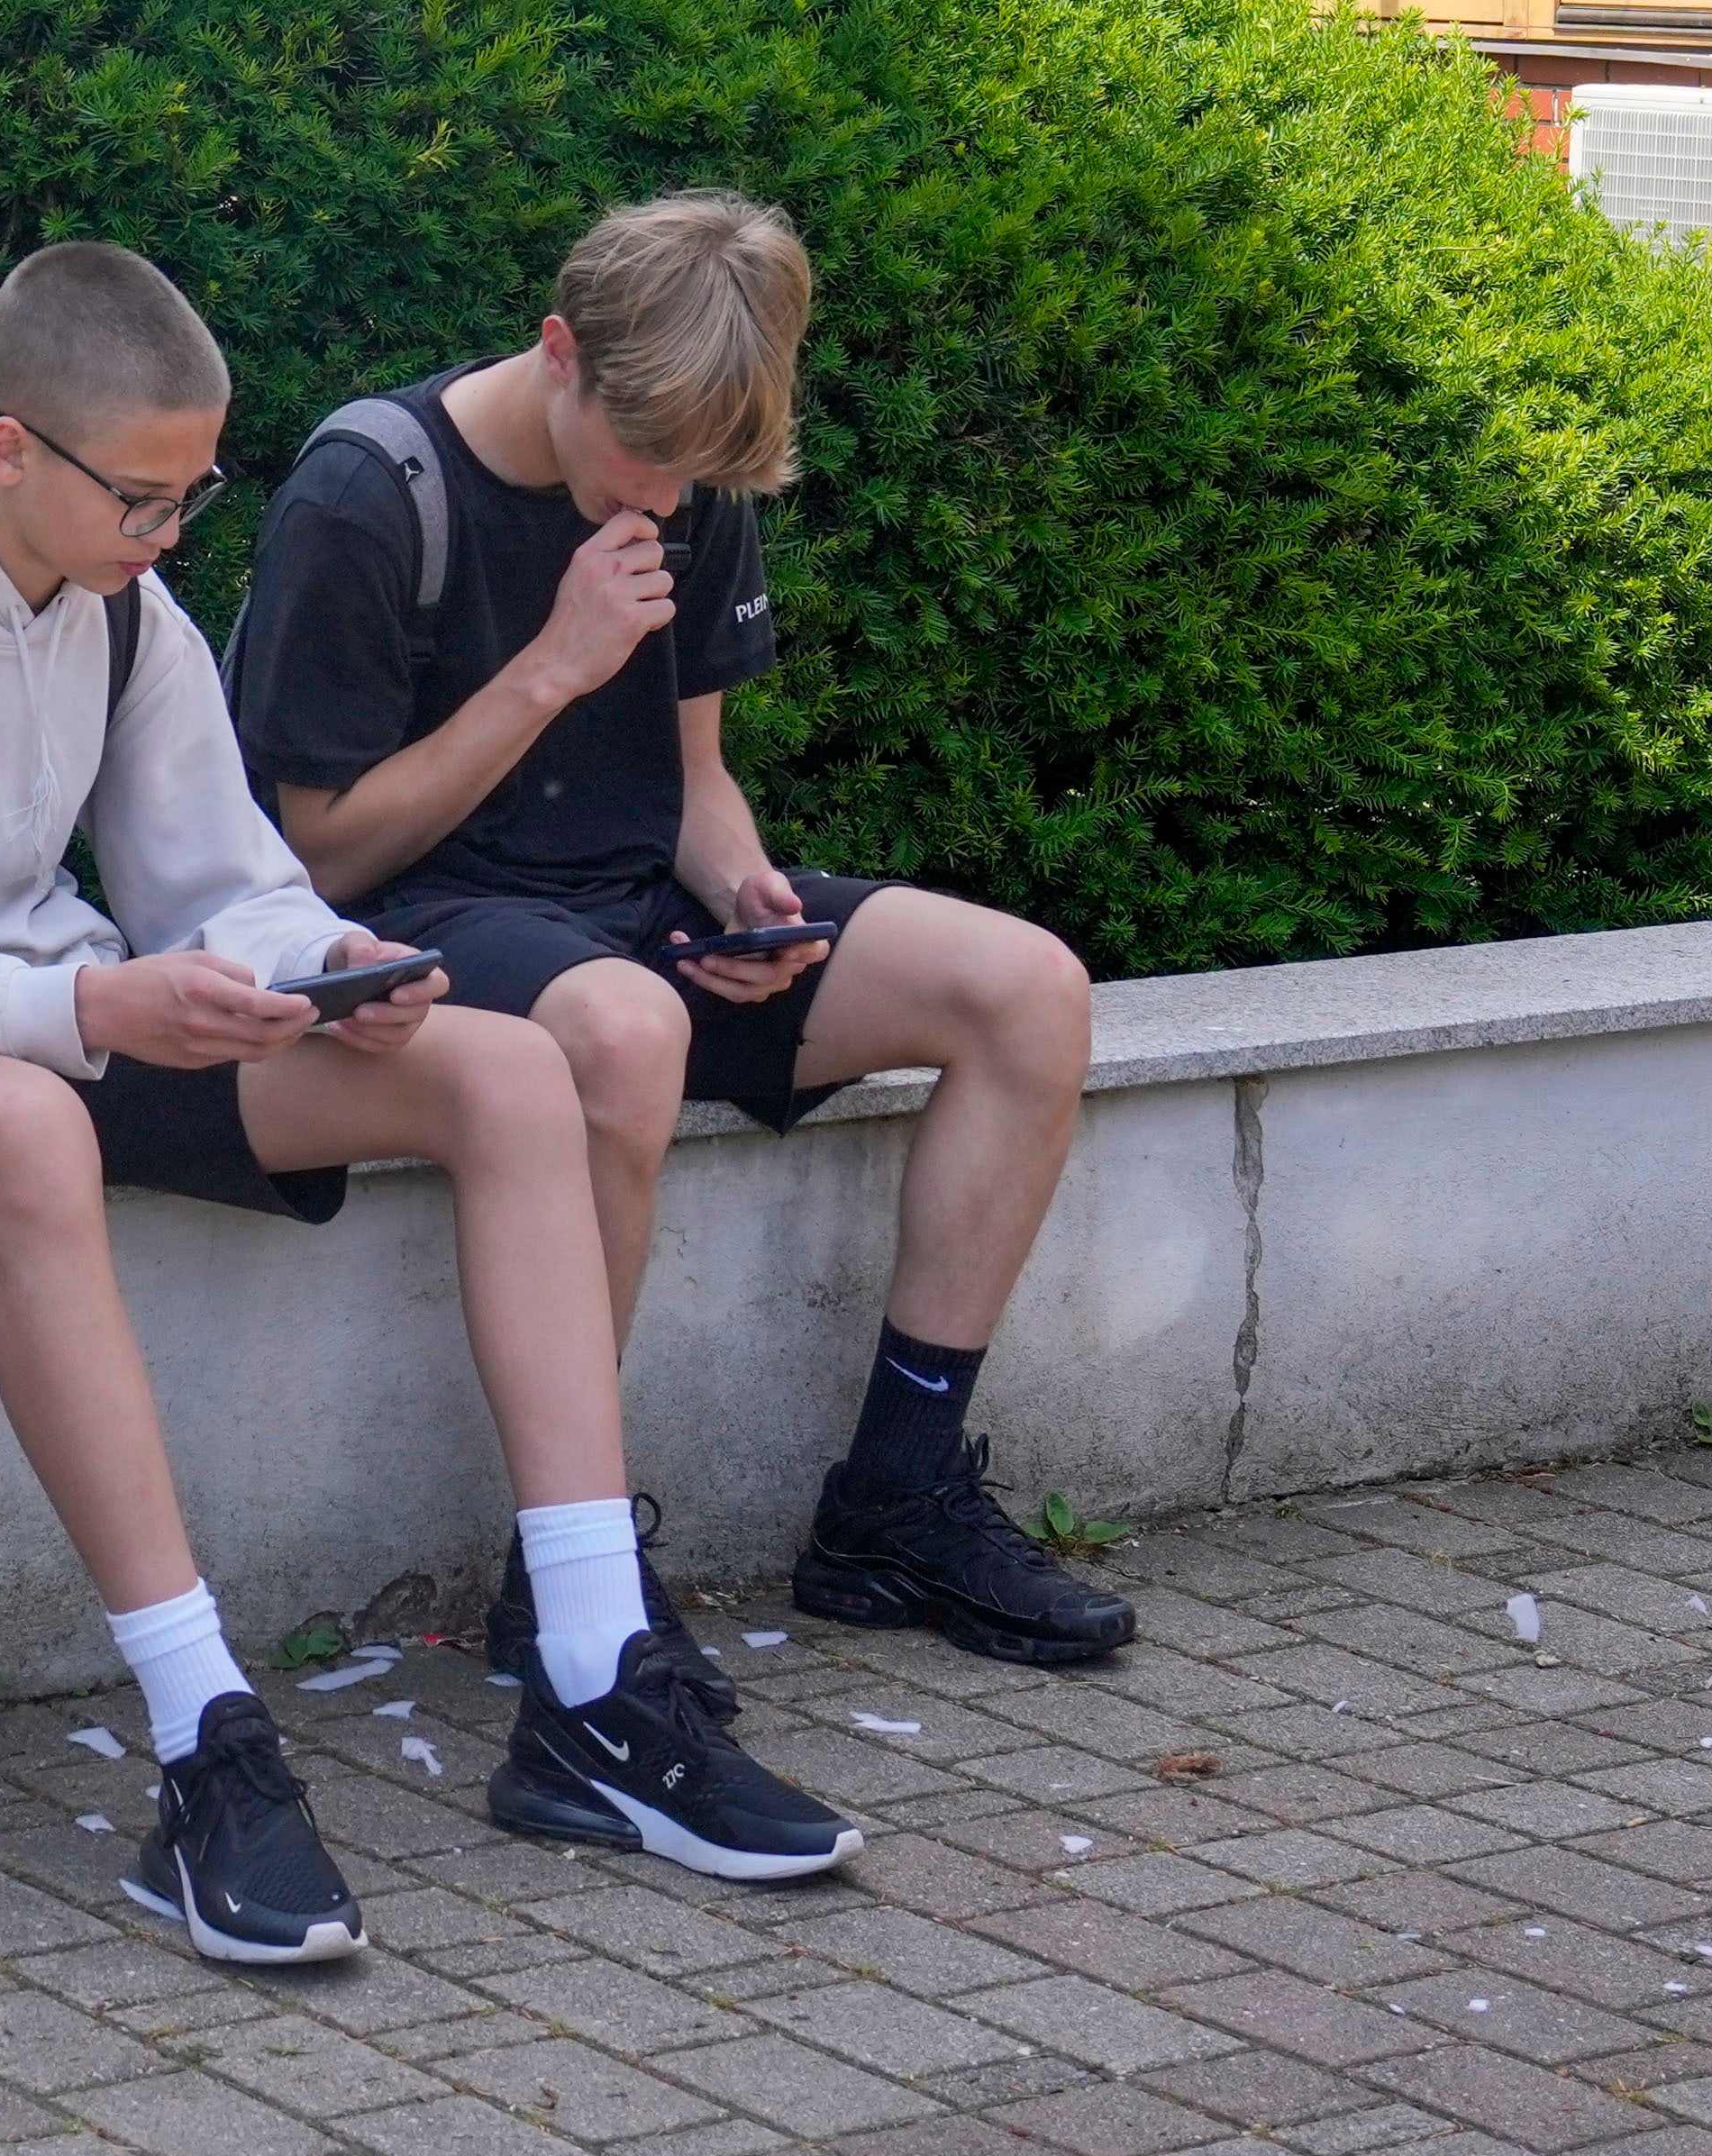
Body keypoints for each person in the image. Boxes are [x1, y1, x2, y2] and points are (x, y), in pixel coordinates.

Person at [0, 241, 864, 1968]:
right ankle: (204, 1739)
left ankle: (596, 1682)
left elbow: (222, 875)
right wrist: (88, 1003)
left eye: (190, 495)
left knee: (504, 1065)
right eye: (141, 498)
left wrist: (330, 965)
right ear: (11, 447)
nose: (171, 538)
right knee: (27, 1127)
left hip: (81, 1012)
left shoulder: (121, 607)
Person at [226, 193, 1134, 1672]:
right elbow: (316, 848)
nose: (659, 499)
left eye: (699, 474)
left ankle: (894, 1504)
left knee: (1028, 989)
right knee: (628, 1030)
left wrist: (747, 896)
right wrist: (547, 670)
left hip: (632, 908)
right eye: (639, 460)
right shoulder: (369, 493)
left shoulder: (693, 470)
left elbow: (698, 778)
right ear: (559, 351)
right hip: (416, 917)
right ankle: (568, 1577)